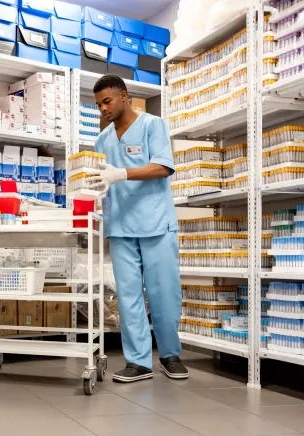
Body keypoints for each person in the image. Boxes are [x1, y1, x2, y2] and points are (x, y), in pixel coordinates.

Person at [86, 74, 188, 383]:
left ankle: (170, 354)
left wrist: (123, 174)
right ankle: (138, 362)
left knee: (163, 293)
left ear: (124, 97)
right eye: (98, 104)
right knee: (128, 296)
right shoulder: (102, 140)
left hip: (155, 222)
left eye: (107, 101)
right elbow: (101, 178)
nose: (103, 108)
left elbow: (163, 167)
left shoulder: (152, 125)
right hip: (120, 225)